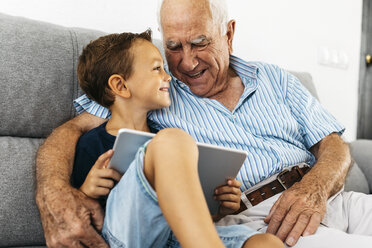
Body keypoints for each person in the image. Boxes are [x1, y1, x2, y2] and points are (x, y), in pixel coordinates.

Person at [35, 0, 372, 247]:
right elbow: (74, 129)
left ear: (228, 34)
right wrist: (56, 192)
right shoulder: (155, 90)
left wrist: (313, 188)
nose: (187, 61)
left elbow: (334, 145)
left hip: (330, 196)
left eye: (199, 42)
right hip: (264, 217)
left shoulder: (275, 79)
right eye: (173, 47)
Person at [69, 29, 282, 248]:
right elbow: (80, 219)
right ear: (121, 86)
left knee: (265, 243)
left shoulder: (165, 135)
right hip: (127, 238)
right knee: (171, 140)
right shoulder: (93, 143)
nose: (167, 76)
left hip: (175, 239)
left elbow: (187, 213)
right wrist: (85, 191)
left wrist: (220, 208)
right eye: (156, 68)